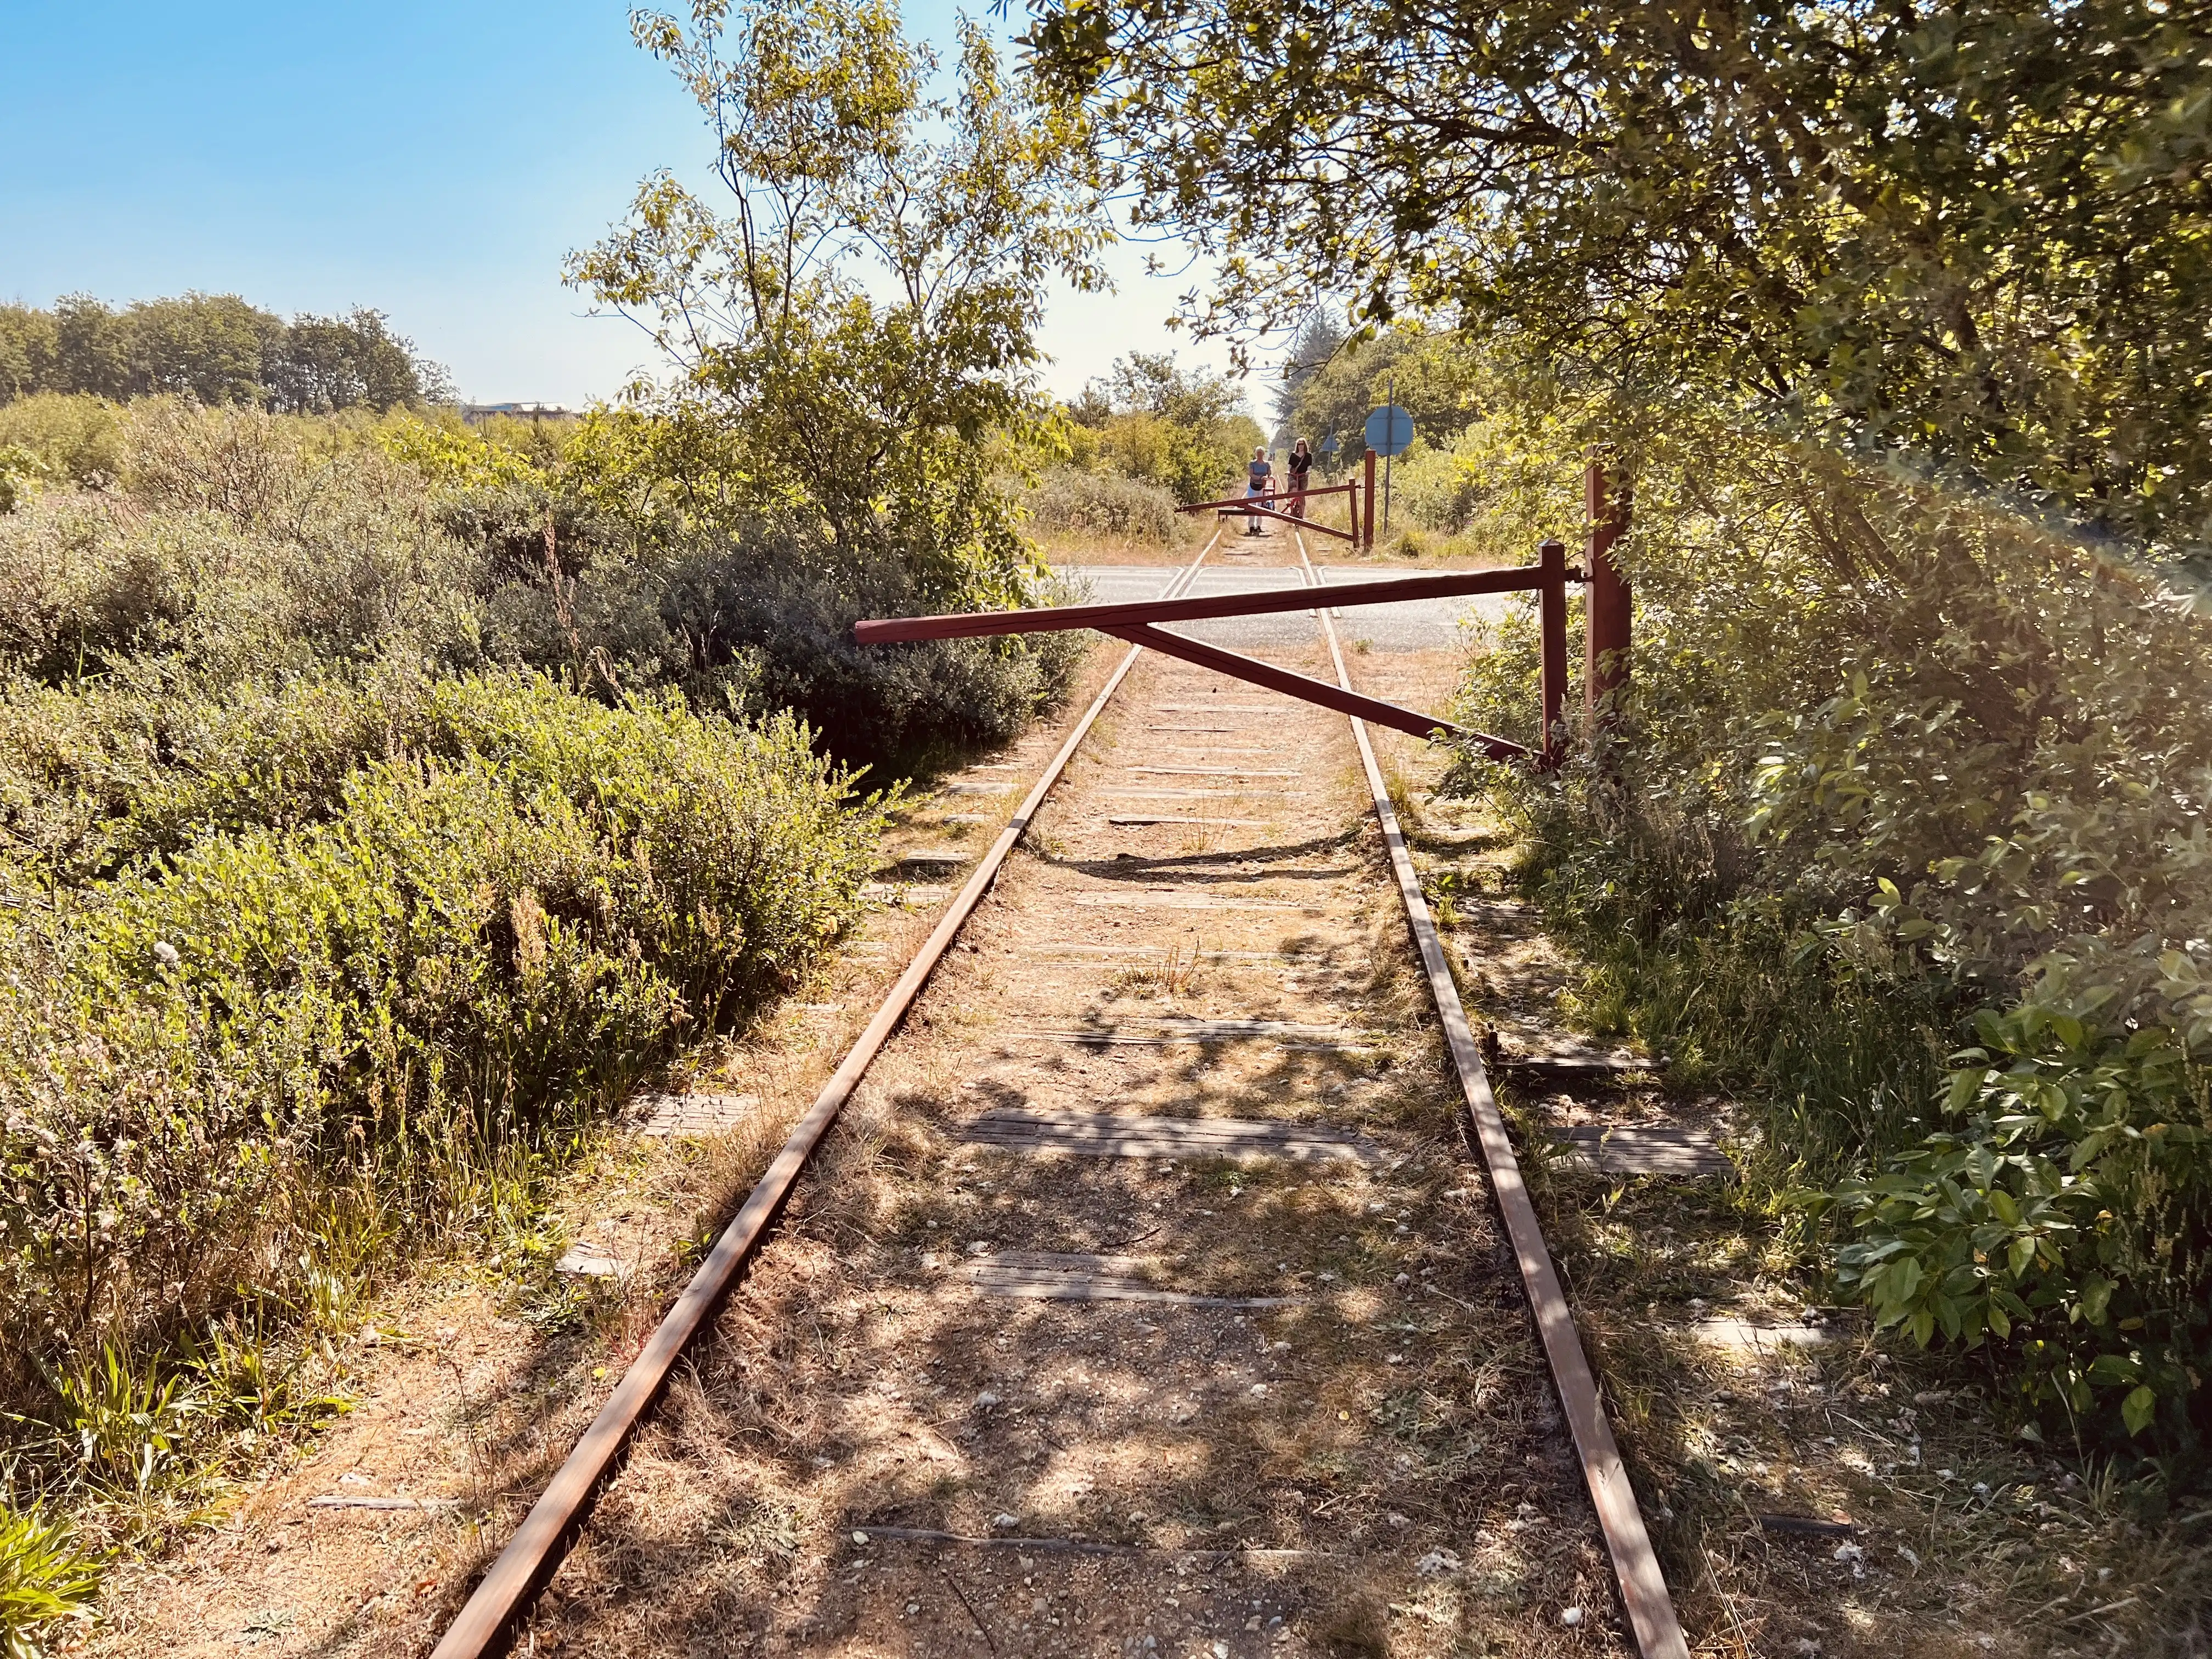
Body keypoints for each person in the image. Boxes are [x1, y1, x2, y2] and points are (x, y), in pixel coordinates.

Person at [1244, 447, 1272, 535]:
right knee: (1252, 506)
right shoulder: (1253, 463)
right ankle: (1251, 526)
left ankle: (1259, 526)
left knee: (1260, 506)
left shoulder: (1266, 464)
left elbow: (1269, 474)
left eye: (1261, 453)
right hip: (1253, 486)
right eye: (1258, 453)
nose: (1260, 455)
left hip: (1262, 487)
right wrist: (1260, 478)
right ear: (1256, 454)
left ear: (1263, 454)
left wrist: (1269, 476)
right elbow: (1251, 474)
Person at [1286, 438, 1313, 518]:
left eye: (1302, 444)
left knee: (1302, 495)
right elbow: (1290, 464)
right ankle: (1293, 503)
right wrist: (1288, 471)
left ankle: (1301, 515)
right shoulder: (1293, 455)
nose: (1301, 446)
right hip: (1293, 475)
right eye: (1299, 444)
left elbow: (1309, 465)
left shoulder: (1308, 455)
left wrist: (1308, 471)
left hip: (1303, 476)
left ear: (1305, 445)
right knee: (1294, 487)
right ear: (1297, 446)